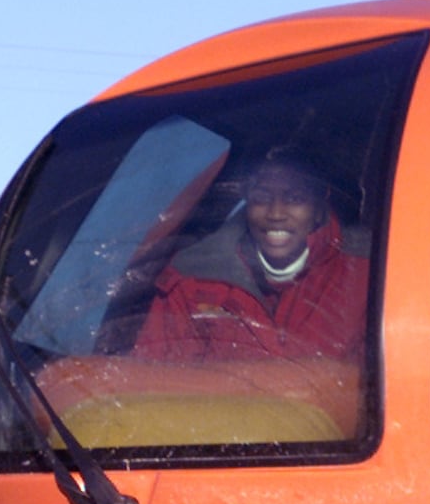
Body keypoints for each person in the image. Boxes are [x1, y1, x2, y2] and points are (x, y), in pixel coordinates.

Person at [134, 151, 367, 362]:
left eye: (295, 199)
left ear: (318, 208)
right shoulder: (193, 280)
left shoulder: (369, 273)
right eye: (261, 198)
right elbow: (155, 380)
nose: (276, 213)